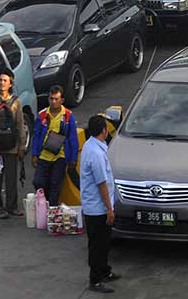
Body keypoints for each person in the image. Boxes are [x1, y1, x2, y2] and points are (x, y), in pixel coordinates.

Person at [80, 115, 120, 294]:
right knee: (97, 245)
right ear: (104, 130)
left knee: (104, 243)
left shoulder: (91, 145)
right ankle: (95, 279)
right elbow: (101, 183)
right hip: (98, 208)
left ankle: (104, 270)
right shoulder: (95, 153)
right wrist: (109, 209)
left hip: (96, 205)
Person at [0, 67, 26, 219]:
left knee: (11, 180)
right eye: (0, 80)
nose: (2, 83)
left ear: (10, 84)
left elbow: (20, 125)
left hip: (12, 146)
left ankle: (12, 206)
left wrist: (22, 146)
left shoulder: (16, 102)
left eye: (5, 80)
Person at [31, 85, 79, 206]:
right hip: (44, 155)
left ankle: (51, 211)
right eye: (51, 98)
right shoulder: (42, 115)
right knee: (38, 182)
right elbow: (36, 136)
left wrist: (73, 159)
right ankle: (44, 203)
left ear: (62, 100)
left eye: (56, 99)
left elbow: (73, 138)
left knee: (55, 184)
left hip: (60, 156)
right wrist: (34, 154)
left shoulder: (68, 116)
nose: (53, 102)